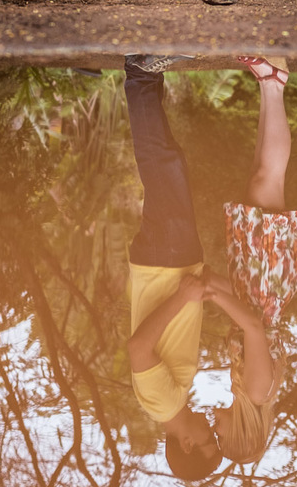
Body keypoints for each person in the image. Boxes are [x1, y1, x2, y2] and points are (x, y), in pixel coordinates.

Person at [203, 56, 297, 462]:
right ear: (238, 434)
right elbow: (252, 326)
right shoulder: (256, 392)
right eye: (221, 437)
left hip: (256, 284)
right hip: (264, 286)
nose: (214, 429)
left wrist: (213, 286)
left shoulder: (254, 392)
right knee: (268, 179)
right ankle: (274, 83)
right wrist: (210, 295)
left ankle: (270, 83)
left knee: (260, 176)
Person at [122, 54, 224, 479]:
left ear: (187, 445)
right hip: (174, 262)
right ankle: (149, 72)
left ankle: (140, 73)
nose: (212, 430)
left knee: (162, 165)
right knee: (170, 164)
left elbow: (137, 349)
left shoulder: (162, 404)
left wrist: (184, 293)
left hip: (164, 264)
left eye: (208, 441)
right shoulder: (175, 398)